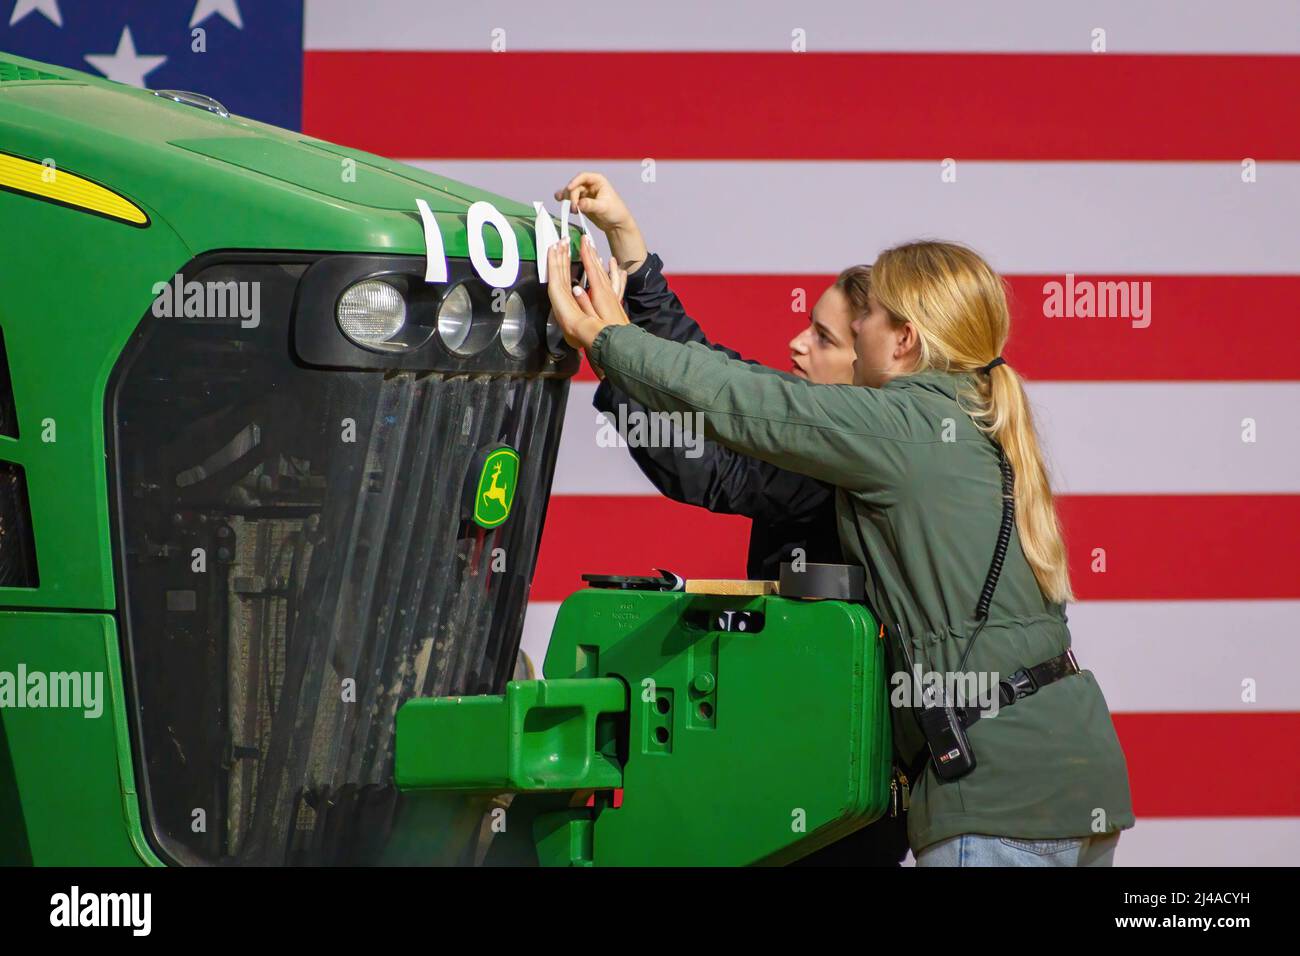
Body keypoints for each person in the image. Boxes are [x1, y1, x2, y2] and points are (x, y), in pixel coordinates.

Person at [545, 233, 1135, 866]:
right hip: (1075, 778)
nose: (855, 324)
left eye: (867, 315)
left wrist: (610, 339)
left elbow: (745, 402)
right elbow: (748, 388)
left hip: (996, 800)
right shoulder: (974, 415)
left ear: (904, 338)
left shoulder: (901, 425)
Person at [561, 173, 908, 865]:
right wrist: (628, 246)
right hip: (815, 756)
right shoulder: (838, 429)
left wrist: (607, 350)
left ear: (874, 360)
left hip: (838, 779)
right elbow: (703, 366)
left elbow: (711, 471)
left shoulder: (852, 463)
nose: (795, 346)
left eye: (823, 337)